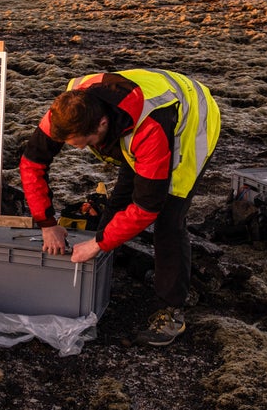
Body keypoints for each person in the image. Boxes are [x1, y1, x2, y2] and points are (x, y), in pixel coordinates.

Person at [19, 69, 221, 346]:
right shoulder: (66, 110)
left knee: (168, 220)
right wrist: (46, 223)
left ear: (101, 125)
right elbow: (32, 162)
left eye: (84, 144)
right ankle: (98, 279)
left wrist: (98, 244)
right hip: (130, 122)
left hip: (189, 123)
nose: (78, 150)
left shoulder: (150, 128)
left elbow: (147, 206)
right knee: (119, 203)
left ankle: (172, 310)